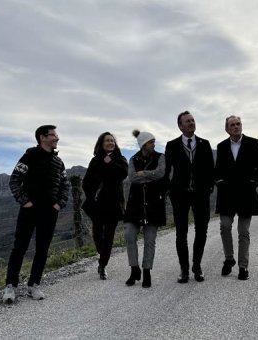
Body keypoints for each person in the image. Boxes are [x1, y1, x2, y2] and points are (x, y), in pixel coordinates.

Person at [2, 125, 69, 303]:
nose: (57, 138)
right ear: (42, 137)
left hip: (50, 211)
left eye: (56, 135)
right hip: (29, 210)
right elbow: (14, 179)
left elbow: (65, 185)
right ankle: (10, 286)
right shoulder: (29, 156)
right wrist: (25, 201)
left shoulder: (59, 162)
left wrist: (59, 204)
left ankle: (34, 285)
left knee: (43, 248)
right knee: (20, 247)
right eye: (53, 135)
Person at [164, 111, 215, 283]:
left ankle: (197, 266)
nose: (191, 123)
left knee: (202, 231)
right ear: (180, 126)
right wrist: (169, 191)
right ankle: (184, 269)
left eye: (193, 120)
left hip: (201, 195)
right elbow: (166, 171)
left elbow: (210, 169)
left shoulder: (205, 144)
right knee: (181, 233)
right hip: (179, 195)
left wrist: (209, 188)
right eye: (187, 121)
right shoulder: (171, 145)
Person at [214, 115, 258, 280]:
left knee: (243, 231)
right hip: (226, 194)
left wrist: (254, 181)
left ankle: (243, 267)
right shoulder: (221, 146)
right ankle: (229, 259)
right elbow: (217, 169)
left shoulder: (253, 143)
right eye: (232, 125)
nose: (236, 127)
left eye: (238, 124)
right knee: (225, 226)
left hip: (246, 194)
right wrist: (219, 181)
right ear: (227, 129)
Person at [123, 129, 167, 288]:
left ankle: (146, 271)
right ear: (143, 144)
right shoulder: (133, 159)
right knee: (129, 235)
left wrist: (144, 173)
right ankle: (134, 269)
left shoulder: (161, 157)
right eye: (151, 142)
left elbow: (161, 173)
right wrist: (148, 176)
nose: (153, 144)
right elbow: (132, 177)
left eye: (154, 141)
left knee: (150, 240)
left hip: (154, 204)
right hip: (135, 204)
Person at [82, 132, 128, 280]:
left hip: (113, 204)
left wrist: (110, 162)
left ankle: (102, 265)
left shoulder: (120, 159)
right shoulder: (95, 161)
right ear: (101, 143)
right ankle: (103, 253)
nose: (110, 143)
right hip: (97, 203)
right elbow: (86, 181)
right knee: (97, 234)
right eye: (107, 141)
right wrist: (91, 196)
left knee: (109, 235)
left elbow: (123, 174)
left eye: (112, 141)